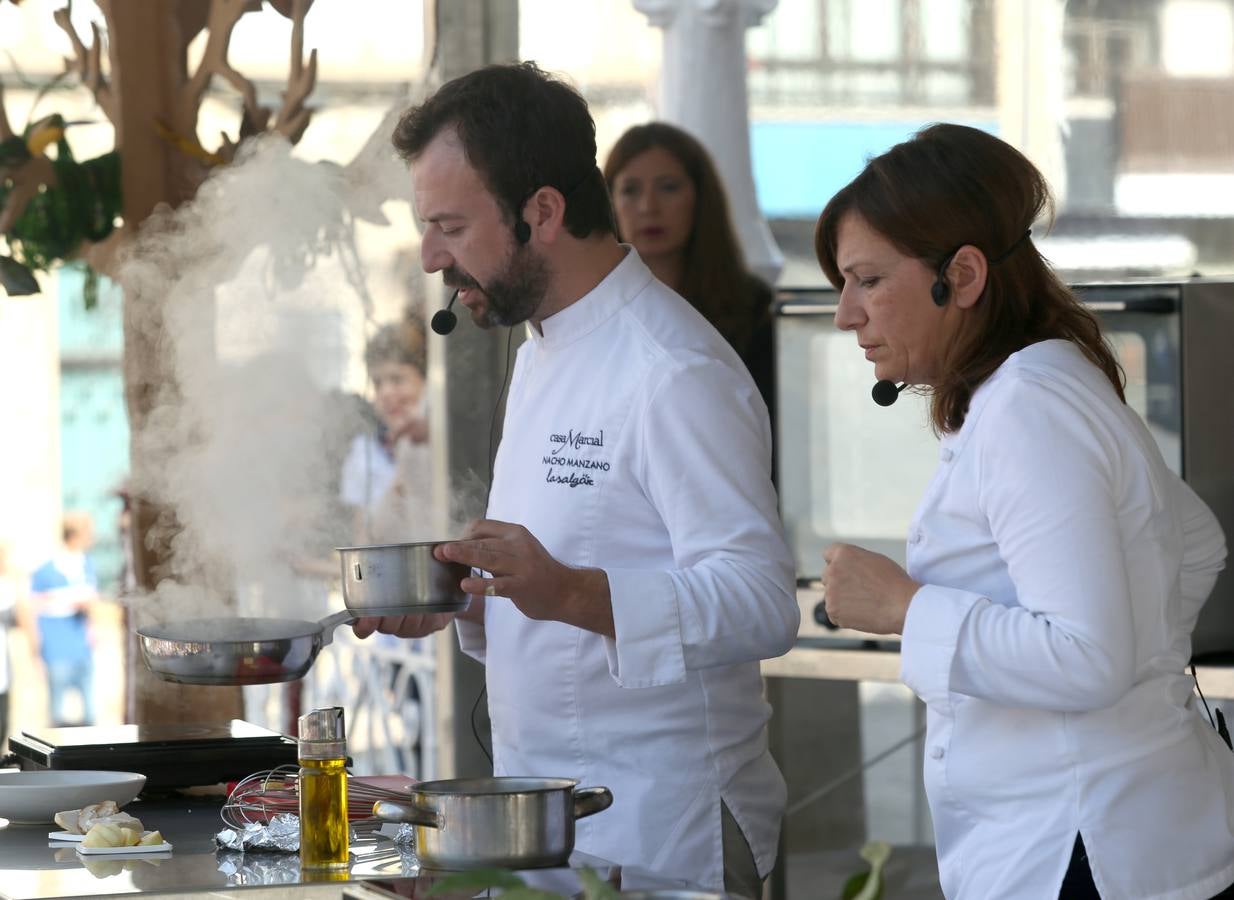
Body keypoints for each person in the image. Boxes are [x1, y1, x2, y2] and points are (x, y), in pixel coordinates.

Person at [353, 62, 798, 896]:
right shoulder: (543, 347)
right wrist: (463, 595)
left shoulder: (675, 370)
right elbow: (568, 568)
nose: (430, 257)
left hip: (664, 835)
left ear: (544, 213)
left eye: (450, 225)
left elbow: (762, 600)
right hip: (543, 827)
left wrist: (572, 593)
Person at [813, 123, 1233, 899]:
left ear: (963, 275)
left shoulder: (1028, 408)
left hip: (1085, 851)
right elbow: (1198, 544)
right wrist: (1142, 677)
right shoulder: (1046, 385)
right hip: (1116, 830)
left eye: (867, 280)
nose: (846, 314)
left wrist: (907, 606)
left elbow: (1084, 656)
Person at [603, 122, 776, 424]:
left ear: (700, 198)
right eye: (630, 190)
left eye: (668, 187)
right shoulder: (594, 311)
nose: (648, 207)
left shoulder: (751, 307)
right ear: (609, 203)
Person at [339, 315, 434, 545]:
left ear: (427, 381)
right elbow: (365, 542)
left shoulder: (445, 439)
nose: (386, 393)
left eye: (397, 379)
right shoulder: (364, 452)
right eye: (377, 383)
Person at [28, 511, 100, 727]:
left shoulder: (87, 565)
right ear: (75, 535)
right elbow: (33, 607)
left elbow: (92, 602)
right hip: (57, 649)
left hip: (82, 649)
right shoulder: (47, 570)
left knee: (90, 716)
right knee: (58, 716)